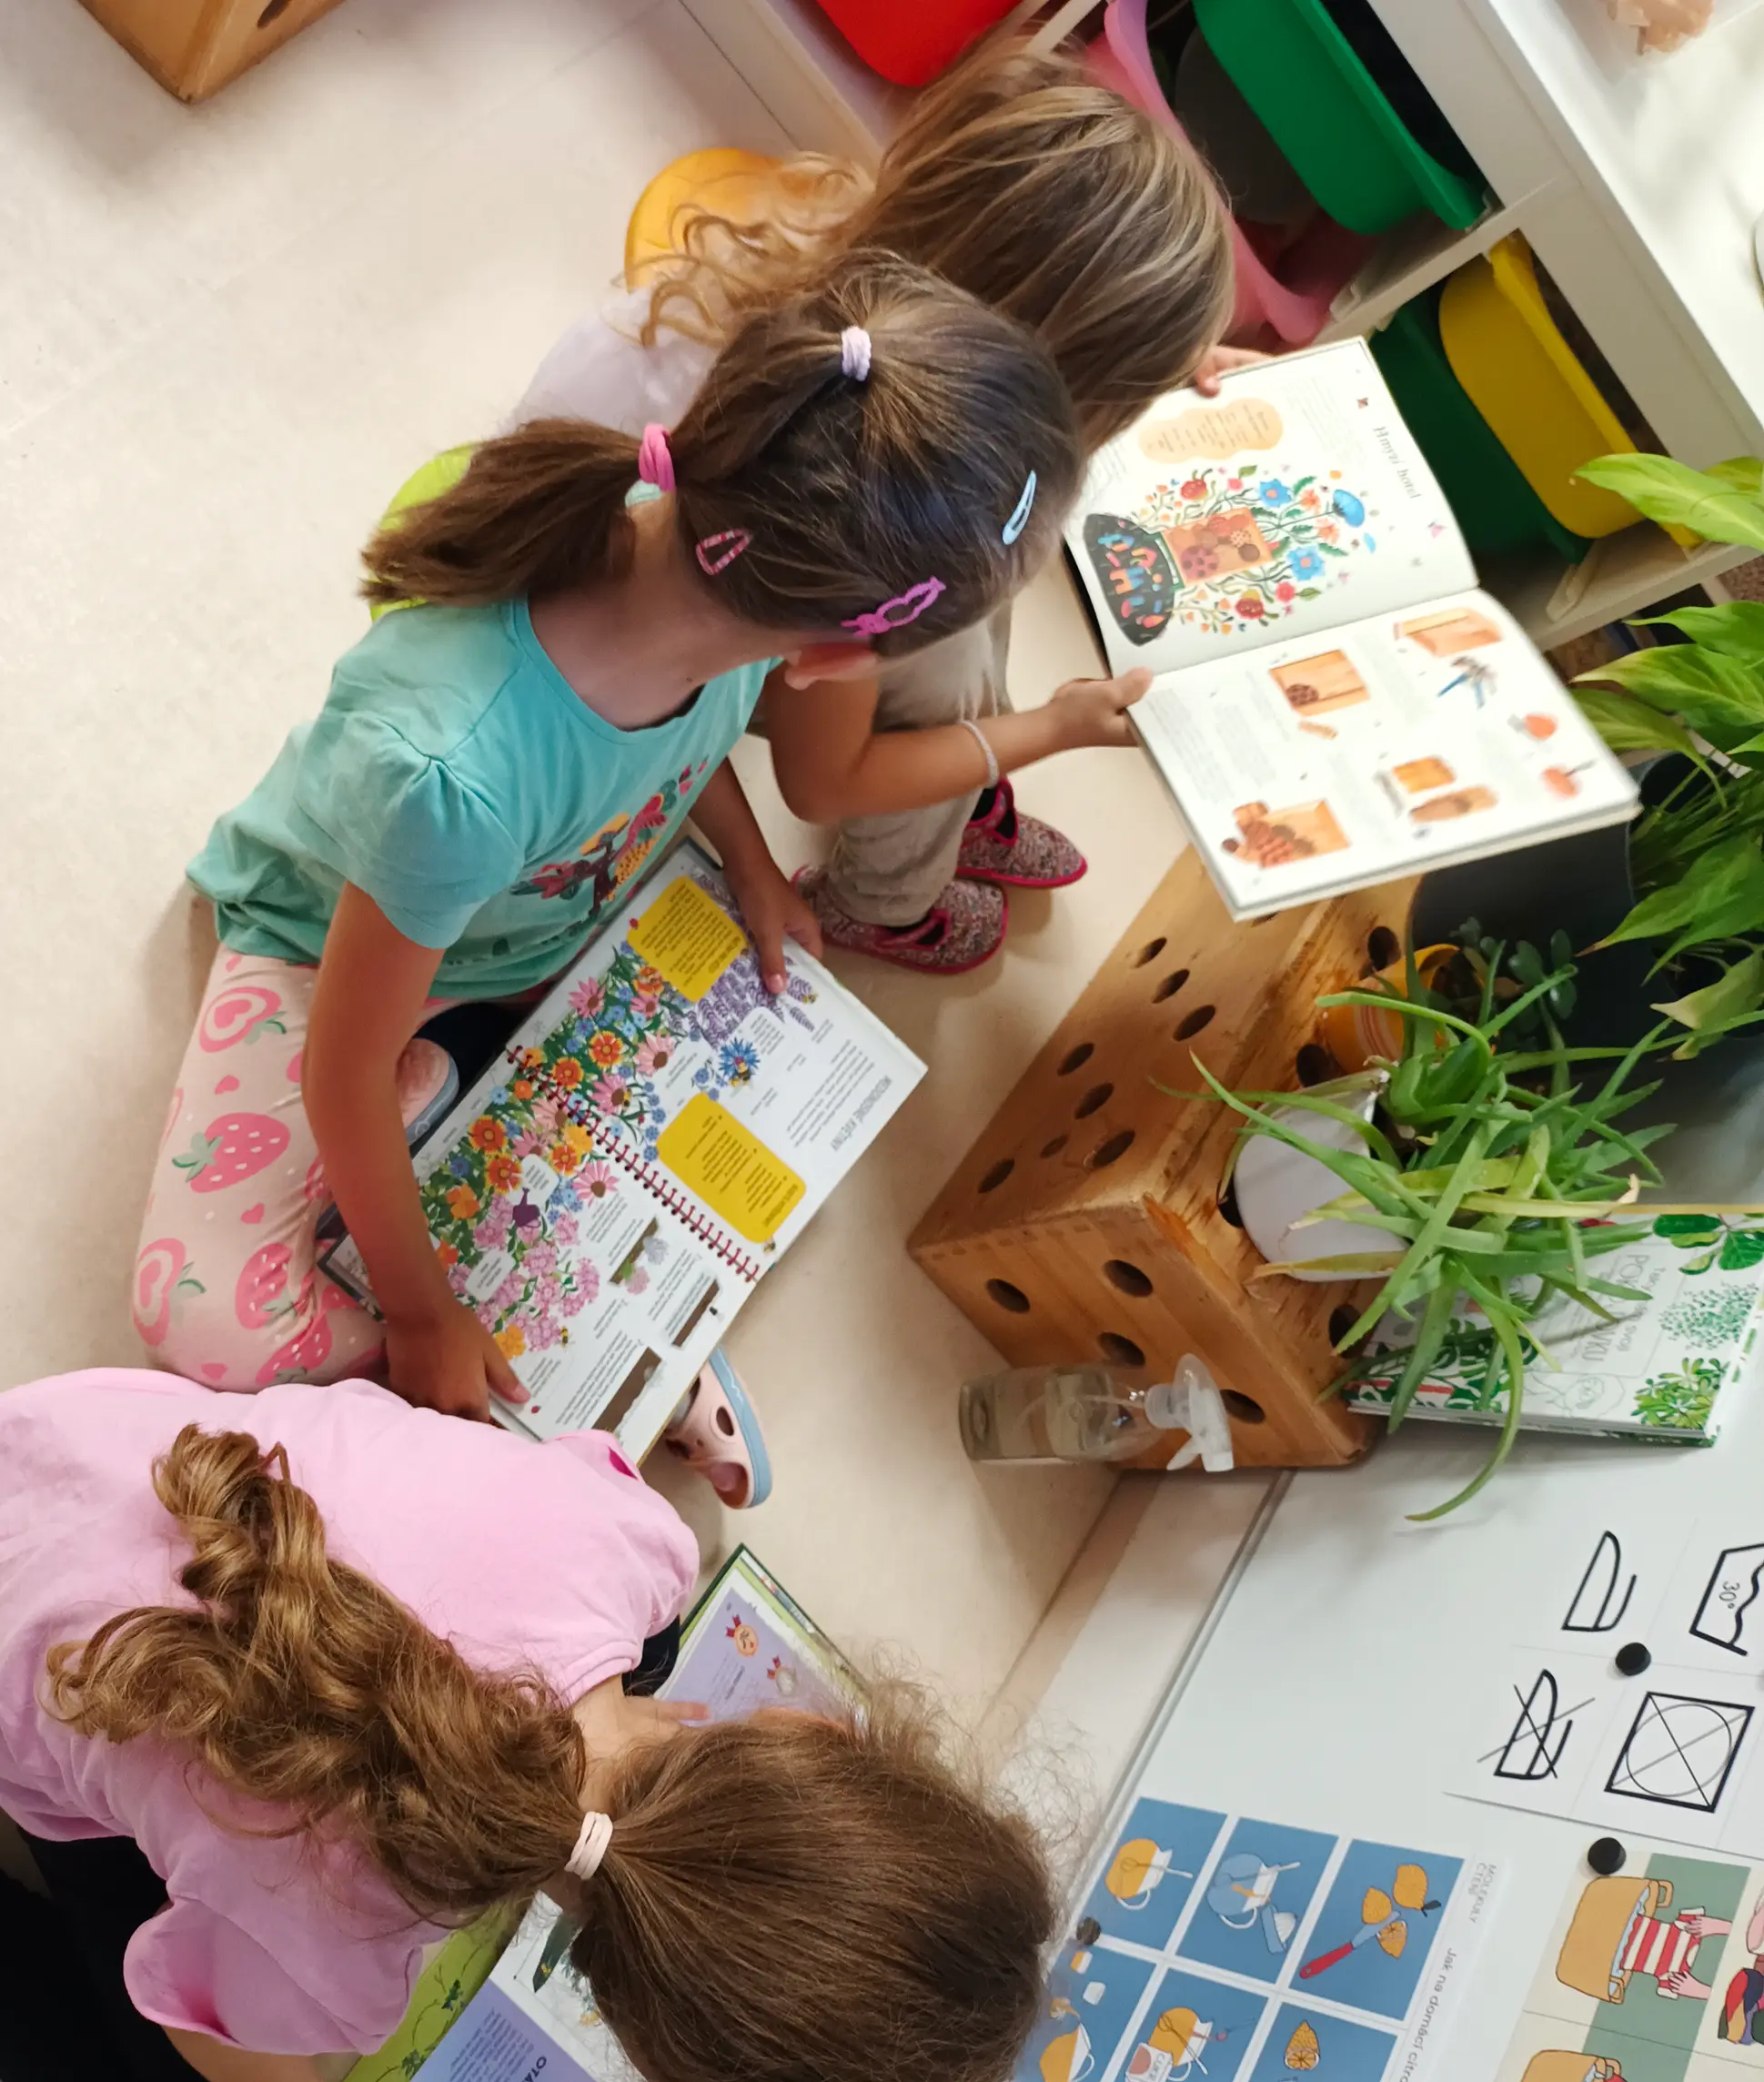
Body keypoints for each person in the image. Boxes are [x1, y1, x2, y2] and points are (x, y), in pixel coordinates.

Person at [136, 251, 1081, 1421]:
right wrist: (421, 1317)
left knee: (687, 1092)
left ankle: (509, 1223)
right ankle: (515, 1304)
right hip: (322, 941)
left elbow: (679, 748)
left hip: (543, 905)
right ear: (838, 657)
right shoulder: (454, 779)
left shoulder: (709, 563)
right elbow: (342, 1072)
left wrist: (751, 866)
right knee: (200, 1320)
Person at [0, 1369, 1056, 2082]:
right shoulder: (338, 1954)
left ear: (809, 1728)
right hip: (50, 1677)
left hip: (86, 1438)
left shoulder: (633, 1538)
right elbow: (194, 2018)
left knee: (648, 1638)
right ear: (626, 2016)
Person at [515, 40, 1246, 973]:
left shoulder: (859, 338)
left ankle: (961, 780)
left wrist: (1163, 356)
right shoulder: (858, 501)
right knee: (953, 647)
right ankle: (883, 904)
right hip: (650, 633)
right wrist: (1046, 731)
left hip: (651, 565)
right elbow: (821, 782)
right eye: (1108, 404)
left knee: (973, 600)